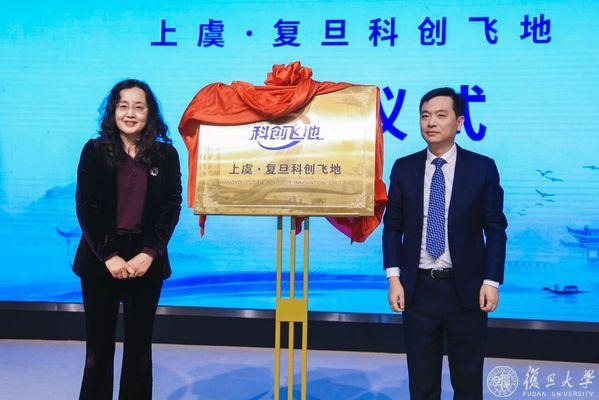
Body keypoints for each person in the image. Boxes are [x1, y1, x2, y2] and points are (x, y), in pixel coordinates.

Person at [382, 87, 507, 400]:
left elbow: (495, 229)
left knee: (467, 383)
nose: (431, 123)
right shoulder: (404, 168)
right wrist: (394, 279)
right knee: (422, 384)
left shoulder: (481, 168)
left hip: (466, 291)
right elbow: (392, 227)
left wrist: (491, 281)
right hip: (418, 290)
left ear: (459, 122)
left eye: (440, 115)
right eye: (425, 116)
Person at [73, 79, 182, 399]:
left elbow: (171, 206)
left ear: (150, 113)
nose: (130, 113)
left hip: (146, 260)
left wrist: (149, 253)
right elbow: (86, 206)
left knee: (139, 350)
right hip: (100, 259)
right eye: (123, 106)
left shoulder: (166, 154)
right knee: (97, 351)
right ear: (112, 111)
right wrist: (108, 255)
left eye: (138, 107)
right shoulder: (94, 151)